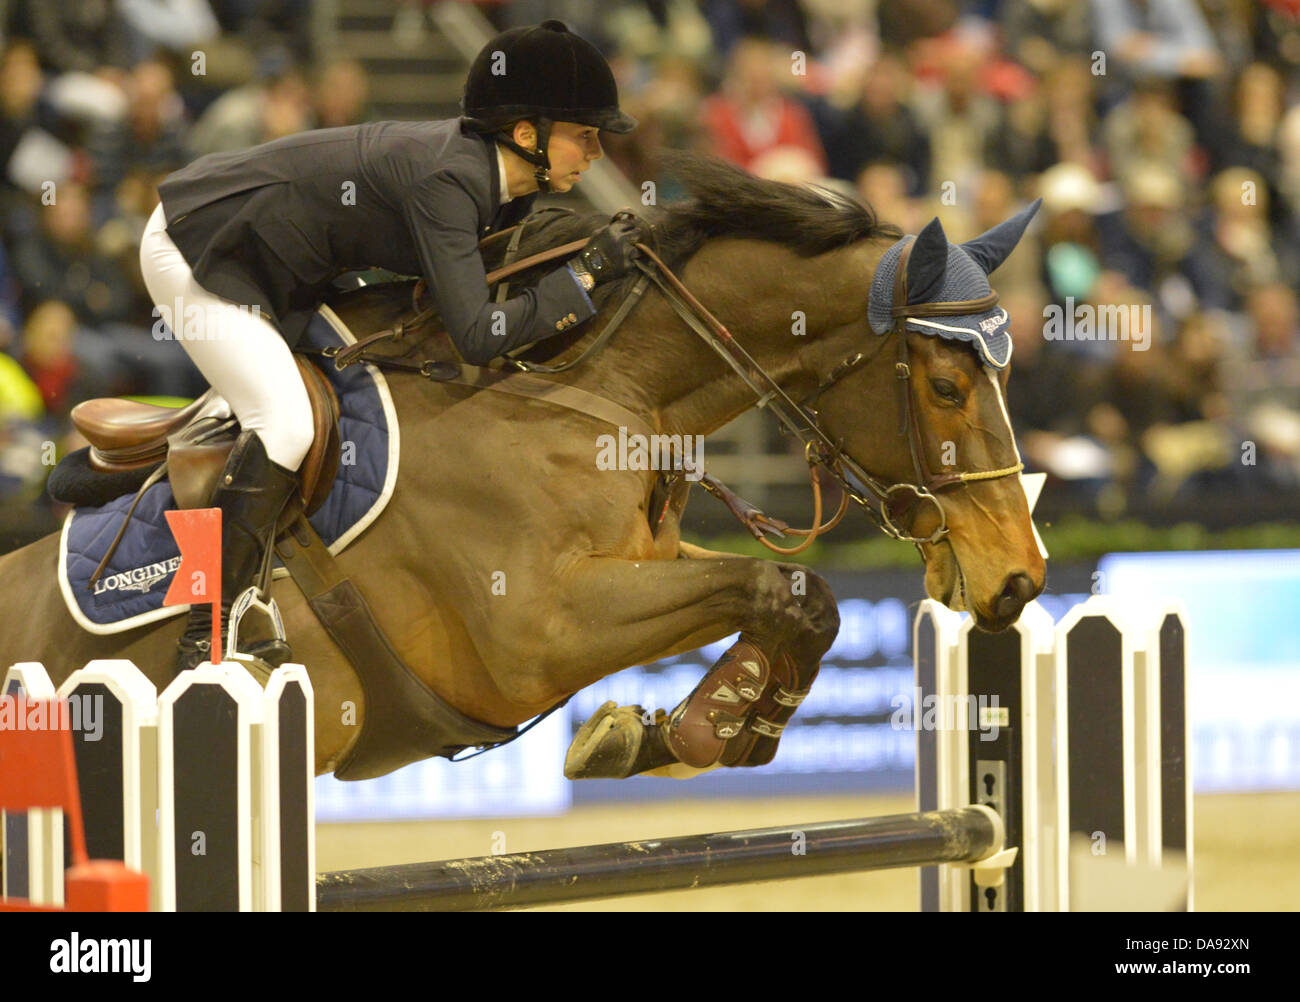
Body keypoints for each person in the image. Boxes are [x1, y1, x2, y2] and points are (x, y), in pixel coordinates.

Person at [138, 20, 643, 675]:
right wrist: (582, 279)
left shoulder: (500, 189)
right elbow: (478, 336)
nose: (598, 153)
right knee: (285, 423)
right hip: (198, 245)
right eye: (585, 135)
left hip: (282, 265)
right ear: (527, 135)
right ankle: (208, 628)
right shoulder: (451, 181)